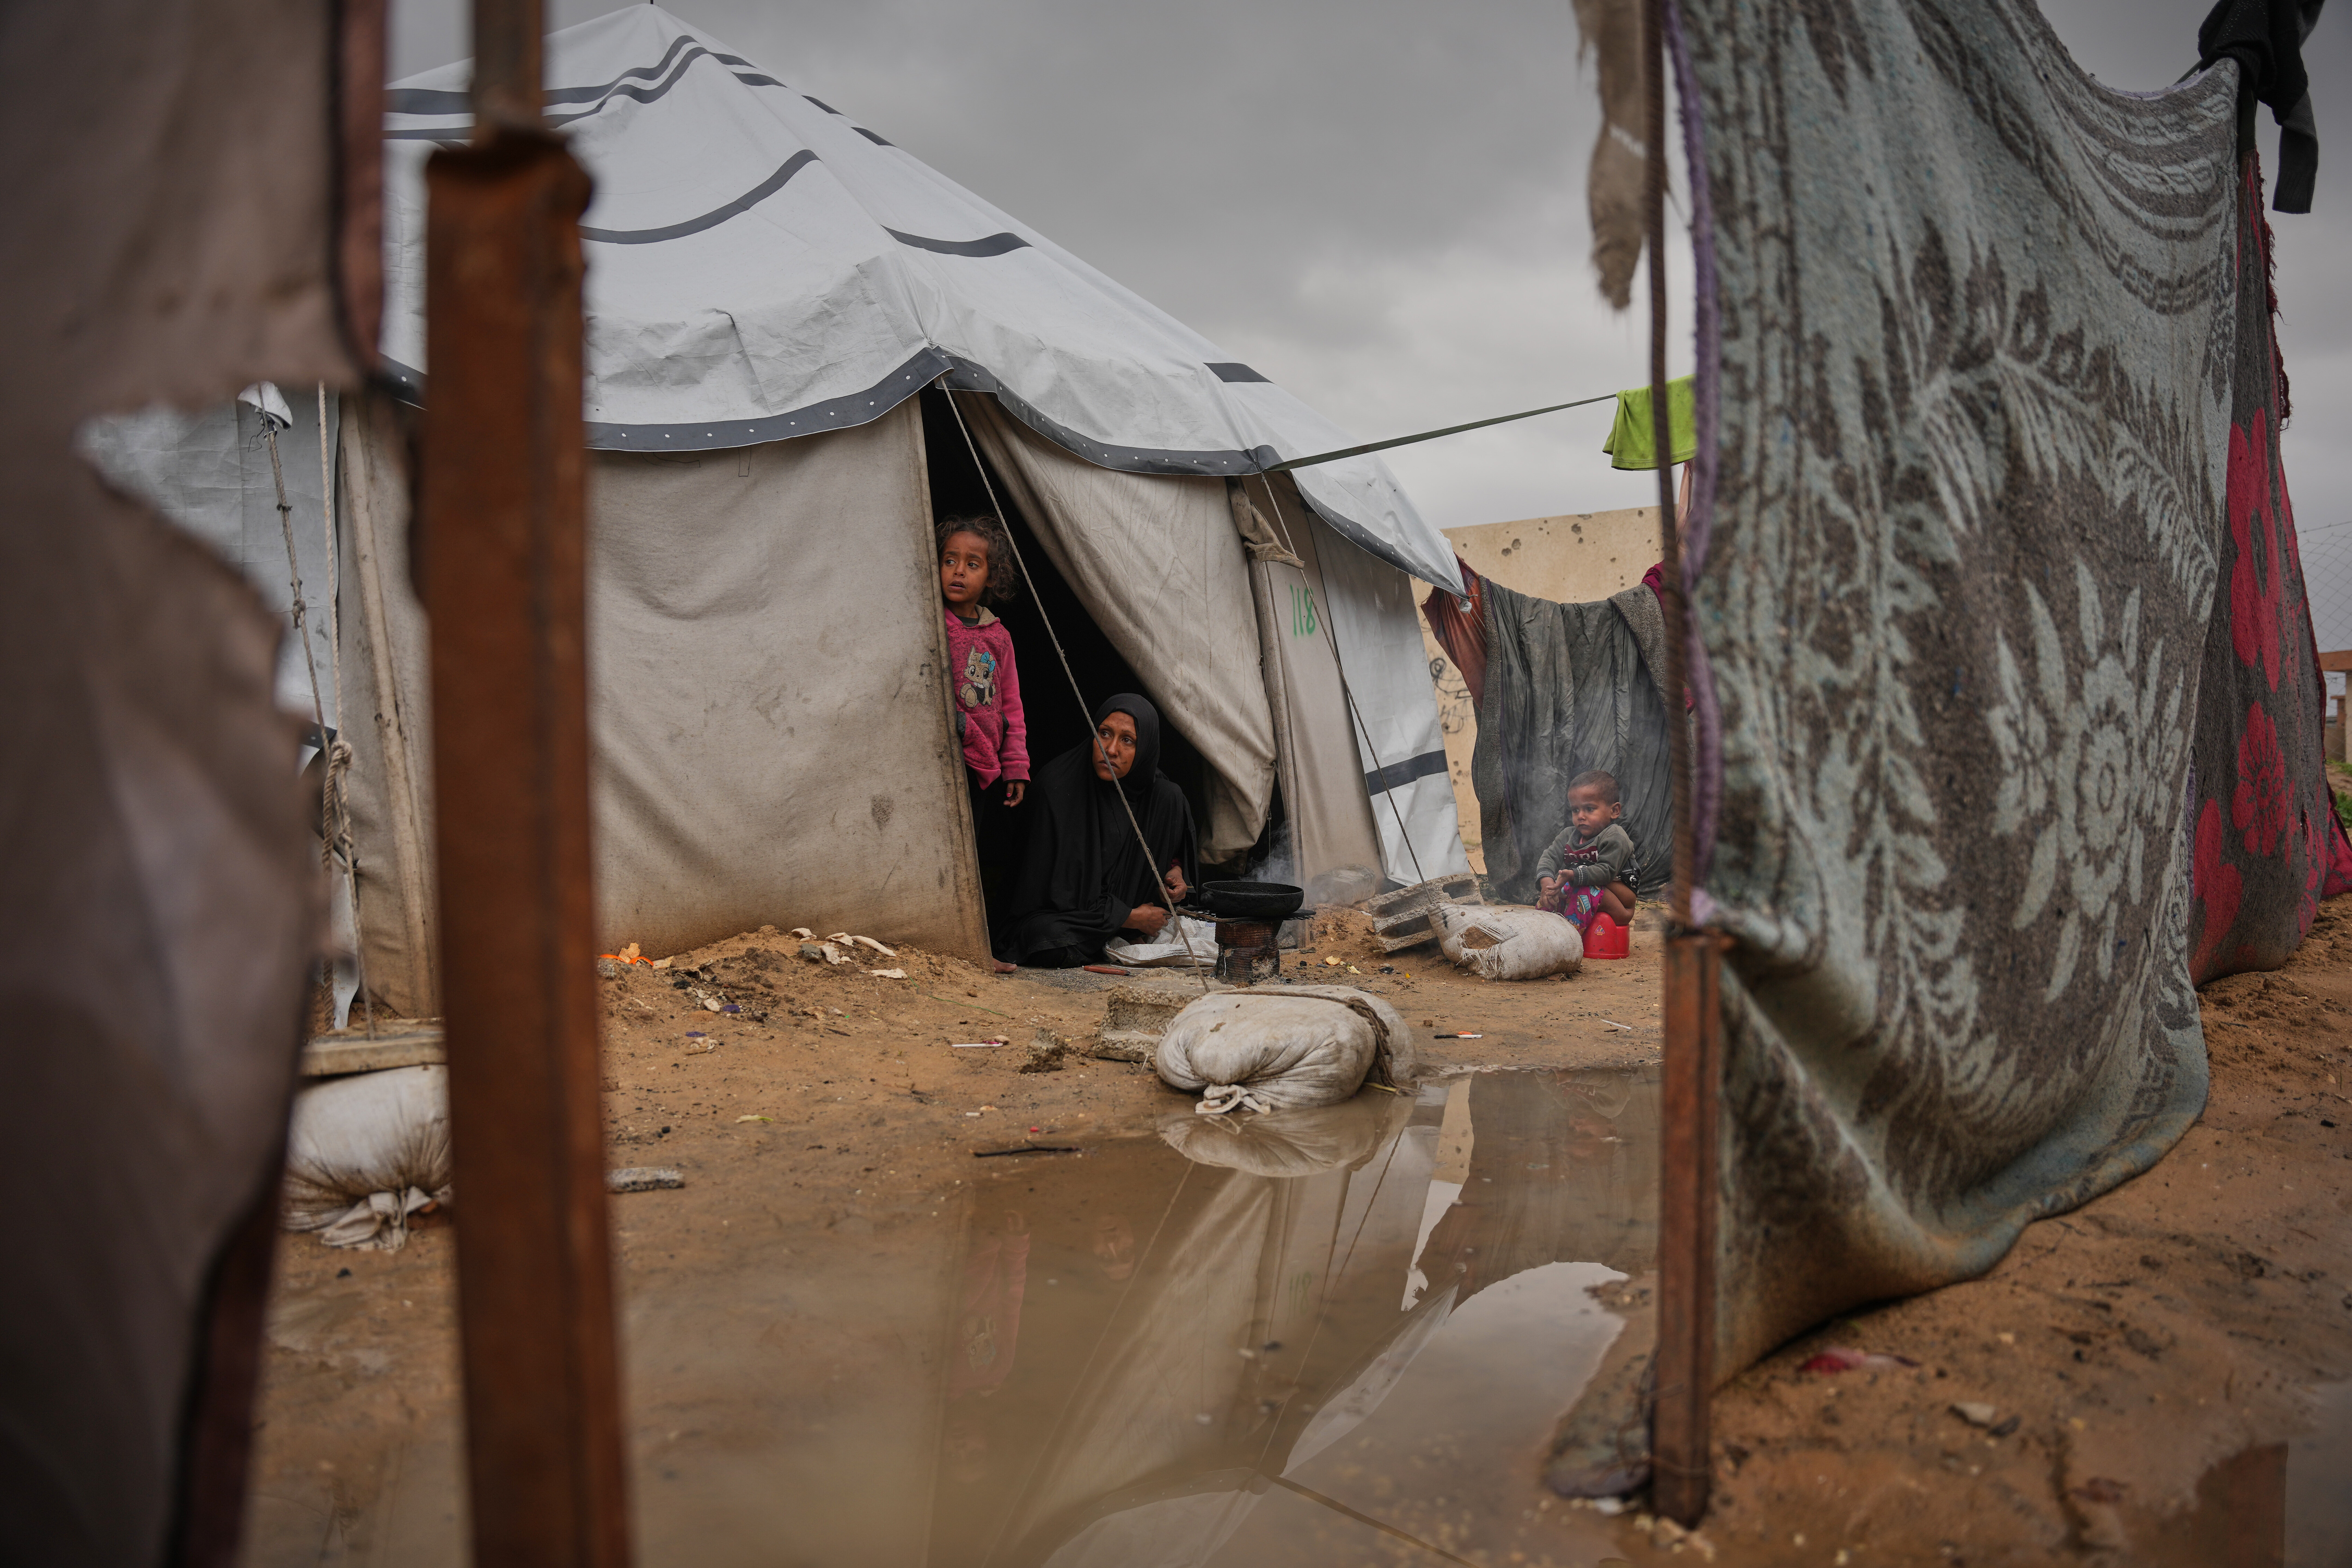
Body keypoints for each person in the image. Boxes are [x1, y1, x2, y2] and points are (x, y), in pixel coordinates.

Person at [1000, 693, 1197, 968]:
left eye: (1127, 740)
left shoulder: (1158, 797)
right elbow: (1060, 894)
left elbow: (1174, 851)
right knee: (1043, 939)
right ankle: (1120, 937)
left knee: (1171, 795)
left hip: (1130, 913)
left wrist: (1175, 872)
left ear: (1146, 749)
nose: (1111, 749)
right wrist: (1127, 918)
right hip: (1070, 916)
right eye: (1104, 734)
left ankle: (1118, 938)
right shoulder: (1057, 788)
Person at [939, 516, 1029, 935]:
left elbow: (1010, 704)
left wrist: (1015, 765)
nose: (959, 571)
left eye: (973, 564)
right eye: (950, 560)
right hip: (939, 756)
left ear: (992, 576)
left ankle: (970, 938)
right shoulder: (931, 624)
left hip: (982, 762)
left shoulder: (999, 636)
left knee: (970, 851)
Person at [1534, 769, 1639, 931]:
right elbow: (1549, 856)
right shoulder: (1568, 835)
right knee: (1554, 891)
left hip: (1621, 903)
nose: (1581, 816)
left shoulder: (1615, 836)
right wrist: (1547, 883)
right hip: (1586, 889)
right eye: (1575, 810)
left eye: (1590, 809)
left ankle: (1569, 938)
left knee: (1580, 885)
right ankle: (1544, 932)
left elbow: (1606, 872)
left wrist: (1573, 875)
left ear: (1614, 811)